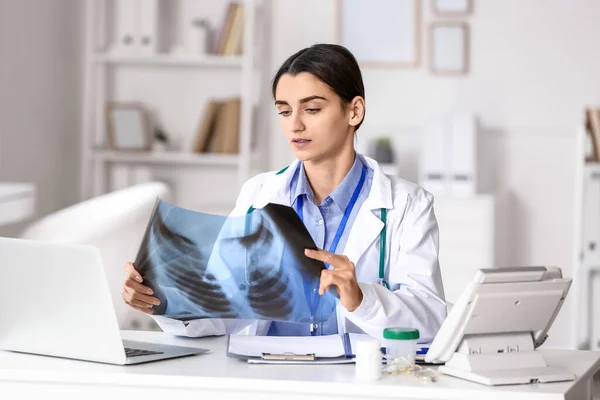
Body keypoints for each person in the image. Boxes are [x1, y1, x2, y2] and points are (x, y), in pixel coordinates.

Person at [122, 43, 446, 342]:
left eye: (312, 109)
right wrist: (164, 301)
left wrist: (361, 298)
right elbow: (224, 310)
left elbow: (432, 321)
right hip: (270, 374)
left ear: (354, 111)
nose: (295, 126)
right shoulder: (259, 193)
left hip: (354, 382)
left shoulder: (408, 205)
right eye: (284, 111)